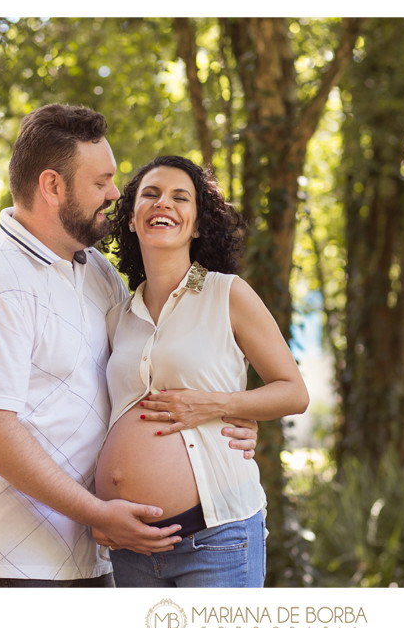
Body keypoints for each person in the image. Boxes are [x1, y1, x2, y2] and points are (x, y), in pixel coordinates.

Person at [0, 104, 258, 588]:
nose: (115, 195)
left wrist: (228, 412)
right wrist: (98, 512)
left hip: (94, 554)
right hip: (10, 564)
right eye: (101, 182)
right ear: (53, 187)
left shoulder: (94, 269)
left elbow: (150, 364)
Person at [92, 155, 309, 587]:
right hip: (131, 546)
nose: (163, 204)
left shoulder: (227, 294)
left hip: (216, 539)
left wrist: (217, 405)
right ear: (132, 220)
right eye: (150, 195)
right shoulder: (119, 315)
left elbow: (294, 392)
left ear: (196, 224)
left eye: (180, 197)